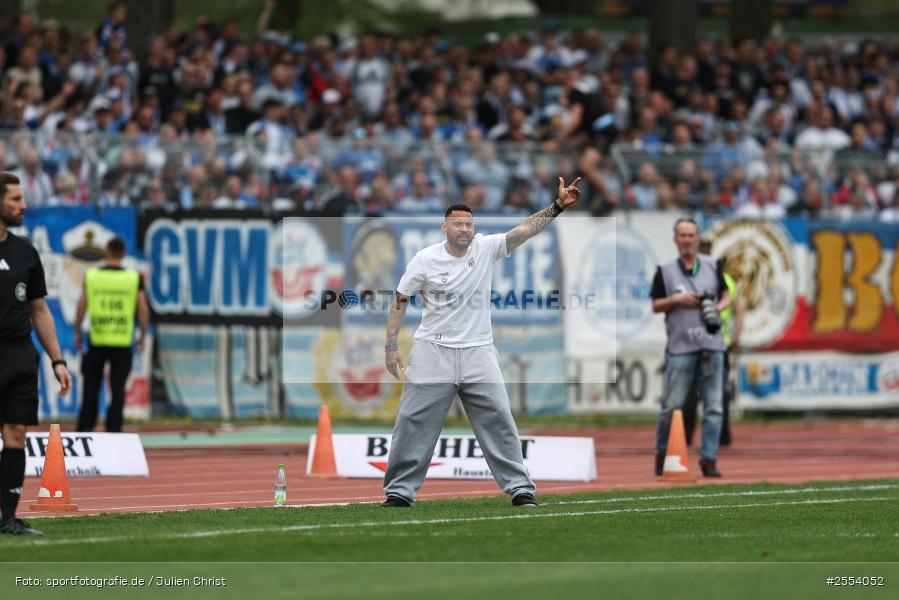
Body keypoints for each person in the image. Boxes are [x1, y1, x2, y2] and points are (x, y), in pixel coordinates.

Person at [382, 177, 583, 507]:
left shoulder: (486, 247)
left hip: (478, 351)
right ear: (444, 227)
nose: (465, 229)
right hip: (434, 350)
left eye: (469, 224)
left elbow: (525, 230)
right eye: (458, 224)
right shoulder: (424, 260)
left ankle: (520, 488)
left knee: (500, 419)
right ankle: (400, 492)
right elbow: (400, 300)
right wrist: (391, 347)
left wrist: (557, 206)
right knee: (411, 423)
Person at [0, 172, 72, 536]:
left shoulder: (25, 250)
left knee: (16, 433)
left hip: (18, 354)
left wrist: (57, 360)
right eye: (14, 199)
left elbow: (39, 310)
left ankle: (6, 517)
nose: (23, 205)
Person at [650, 218, 730, 478]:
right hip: (680, 346)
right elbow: (655, 305)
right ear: (675, 239)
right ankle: (662, 454)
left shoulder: (713, 264)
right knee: (672, 405)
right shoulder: (665, 270)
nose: (686, 240)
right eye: (682, 235)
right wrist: (677, 299)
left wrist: (717, 307)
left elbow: (727, 295)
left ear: (697, 239)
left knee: (714, 405)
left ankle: (709, 459)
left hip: (711, 344)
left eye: (691, 235)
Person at [74, 237, 149, 433]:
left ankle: (85, 428)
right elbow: (142, 307)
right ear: (123, 254)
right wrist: (142, 333)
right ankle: (114, 430)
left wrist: (77, 331)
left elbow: (82, 304)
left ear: (106, 252)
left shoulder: (92, 276)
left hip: (97, 339)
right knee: (117, 390)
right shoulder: (133, 278)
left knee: (91, 388)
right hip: (122, 341)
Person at [682, 239, 745, 448]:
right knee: (718, 393)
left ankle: (685, 437)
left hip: (694, 344)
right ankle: (722, 436)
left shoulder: (691, 278)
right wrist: (735, 337)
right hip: (720, 344)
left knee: (690, 393)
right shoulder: (726, 279)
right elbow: (740, 308)